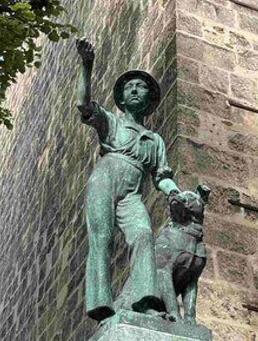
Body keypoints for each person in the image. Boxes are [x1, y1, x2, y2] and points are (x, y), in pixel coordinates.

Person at [74, 38, 182, 321]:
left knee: (143, 234)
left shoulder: (154, 140)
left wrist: (175, 193)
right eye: (129, 87)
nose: (135, 89)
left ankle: (145, 300)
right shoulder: (112, 121)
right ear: (121, 98)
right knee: (101, 238)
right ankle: (100, 305)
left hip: (132, 191)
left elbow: (162, 176)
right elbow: (83, 105)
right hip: (105, 179)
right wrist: (87, 66)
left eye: (141, 86)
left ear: (149, 99)